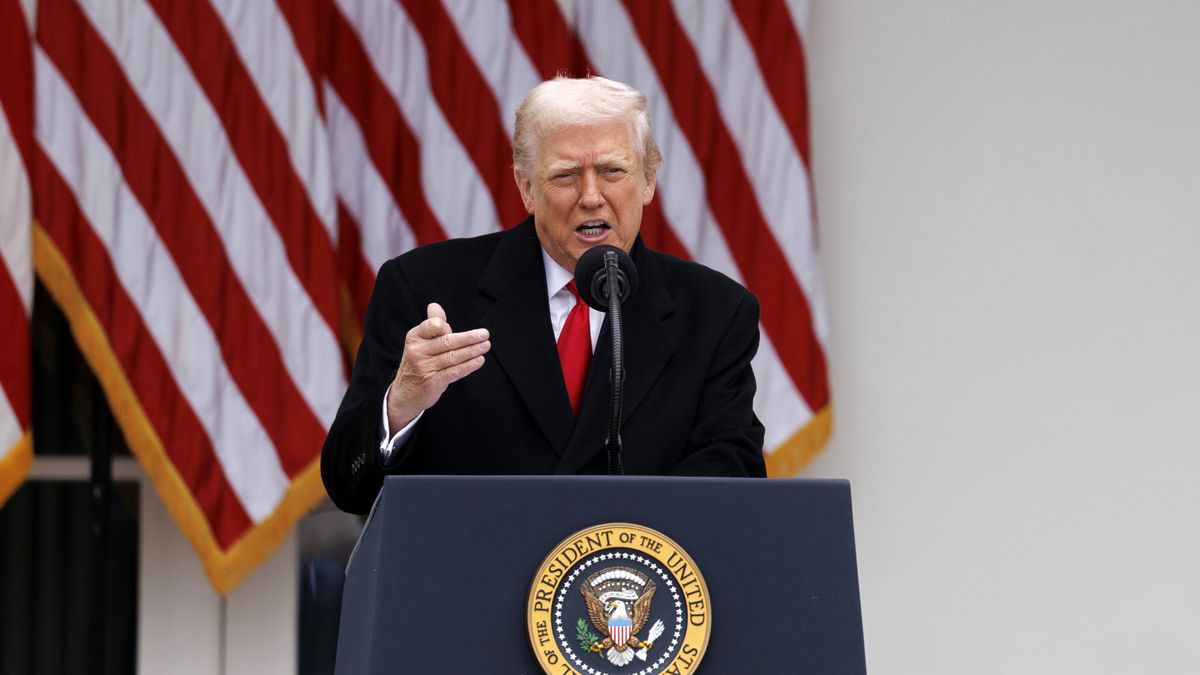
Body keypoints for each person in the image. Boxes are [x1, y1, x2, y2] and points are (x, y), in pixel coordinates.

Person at [321, 76, 766, 514]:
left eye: (612, 171)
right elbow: (349, 486)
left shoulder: (716, 312)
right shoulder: (426, 289)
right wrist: (401, 404)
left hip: (626, 581)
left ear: (648, 181)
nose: (591, 196)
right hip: (471, 578)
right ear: (527, 188)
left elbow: (734, 474)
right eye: (566, 175)